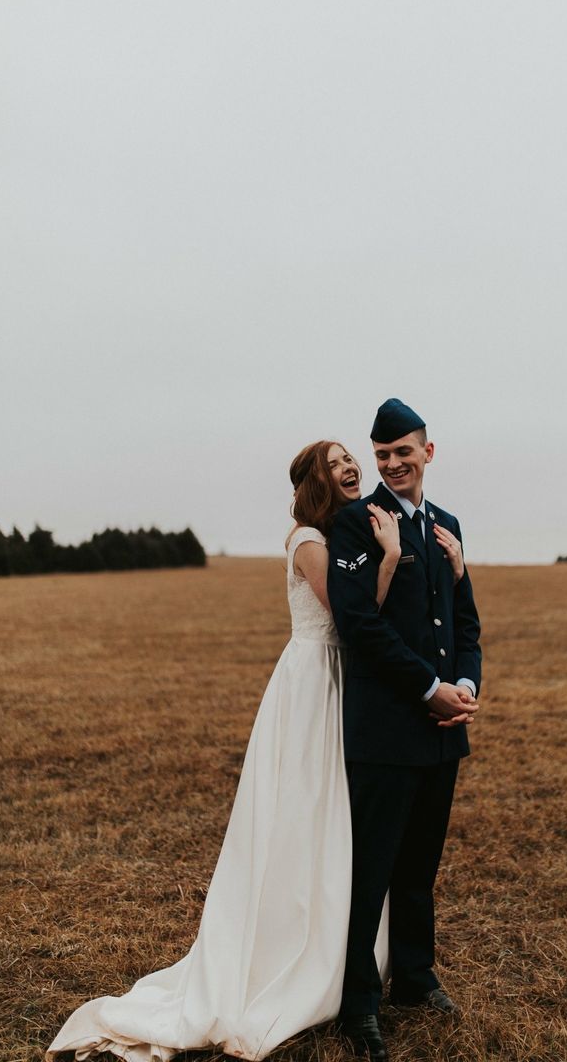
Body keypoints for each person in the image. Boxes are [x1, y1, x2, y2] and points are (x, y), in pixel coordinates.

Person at [46, 440, 465, 1062]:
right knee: (303, 814)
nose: (351, 468)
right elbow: (353, 620)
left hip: (349, 686)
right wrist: (392, 558)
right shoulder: (311, 541)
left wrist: (447, 571)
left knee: (342, 824)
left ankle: (358, 955)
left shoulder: (351, 531)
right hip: (315, 683)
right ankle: (295, 951)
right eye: (337, 463)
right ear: (316, 481)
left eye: (353, 458)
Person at [327, 398, 482, 1062]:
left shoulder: (446, 524)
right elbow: (360, 627)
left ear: (428, 451)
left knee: (419, 868)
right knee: (373, 870)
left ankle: (414, 980)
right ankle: (358, 1002)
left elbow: (466, 622)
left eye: (403, 451)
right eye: (381, 454)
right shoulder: (354, 524)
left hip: (444, 733)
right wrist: (430, 689)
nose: (392, 464)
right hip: (387, 732)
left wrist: (467, 686)